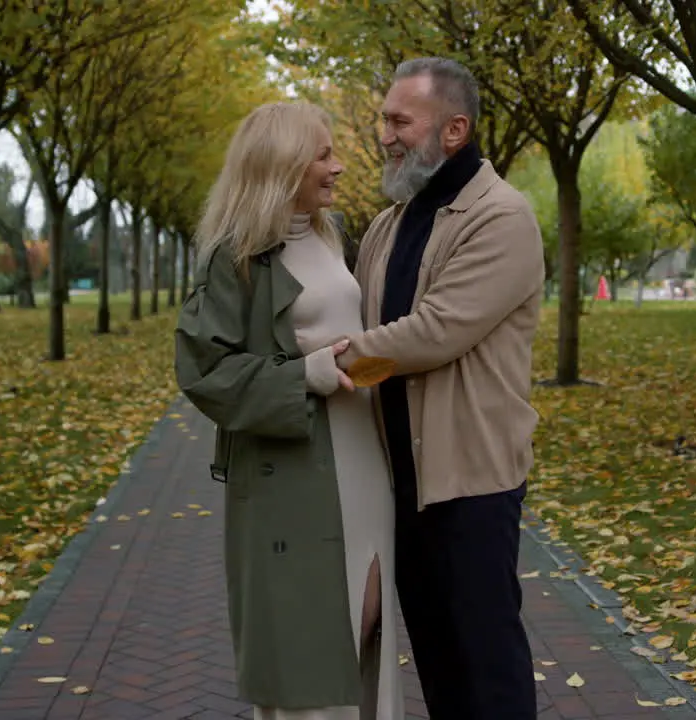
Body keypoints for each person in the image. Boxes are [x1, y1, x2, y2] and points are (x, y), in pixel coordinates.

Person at [333, 57, 546, 720]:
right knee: (438, 665)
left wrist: (330, 361)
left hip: (469, 485)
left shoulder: (502, 217)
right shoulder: (388, 224)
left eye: (401, 120)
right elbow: (359, 314)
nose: (385, 135)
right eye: (384, 119)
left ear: (454, 130)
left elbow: (435, 332)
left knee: (487, 670)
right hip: (401, 482)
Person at [174, 101, 401, 720]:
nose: (339, 165)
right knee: (308, 644)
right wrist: (306, 375)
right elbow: (203, 372)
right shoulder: (236, 255)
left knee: (368, 617)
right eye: (323, 154)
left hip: (364, 460)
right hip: (294, 473)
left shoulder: (329, 237)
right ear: (282, 165)